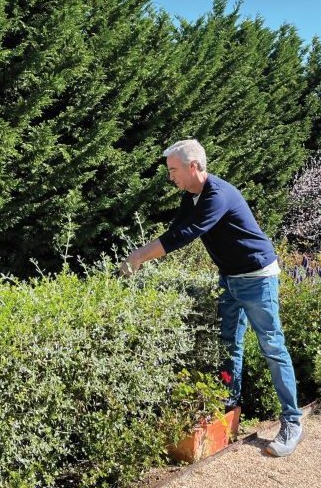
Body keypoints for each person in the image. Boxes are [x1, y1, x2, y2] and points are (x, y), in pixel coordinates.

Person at [120, 139, 303, 457]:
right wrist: (142, 254)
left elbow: (184, 235)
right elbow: (176, 227)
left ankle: (292, 422)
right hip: (229, 278)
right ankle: (230, 406)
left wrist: (138, 255)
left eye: (174, 170)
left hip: (257, 278)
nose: (170, 177)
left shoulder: (216, 194)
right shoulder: (190, 197)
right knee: (229, 344)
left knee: (272, 347)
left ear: (193, 167)